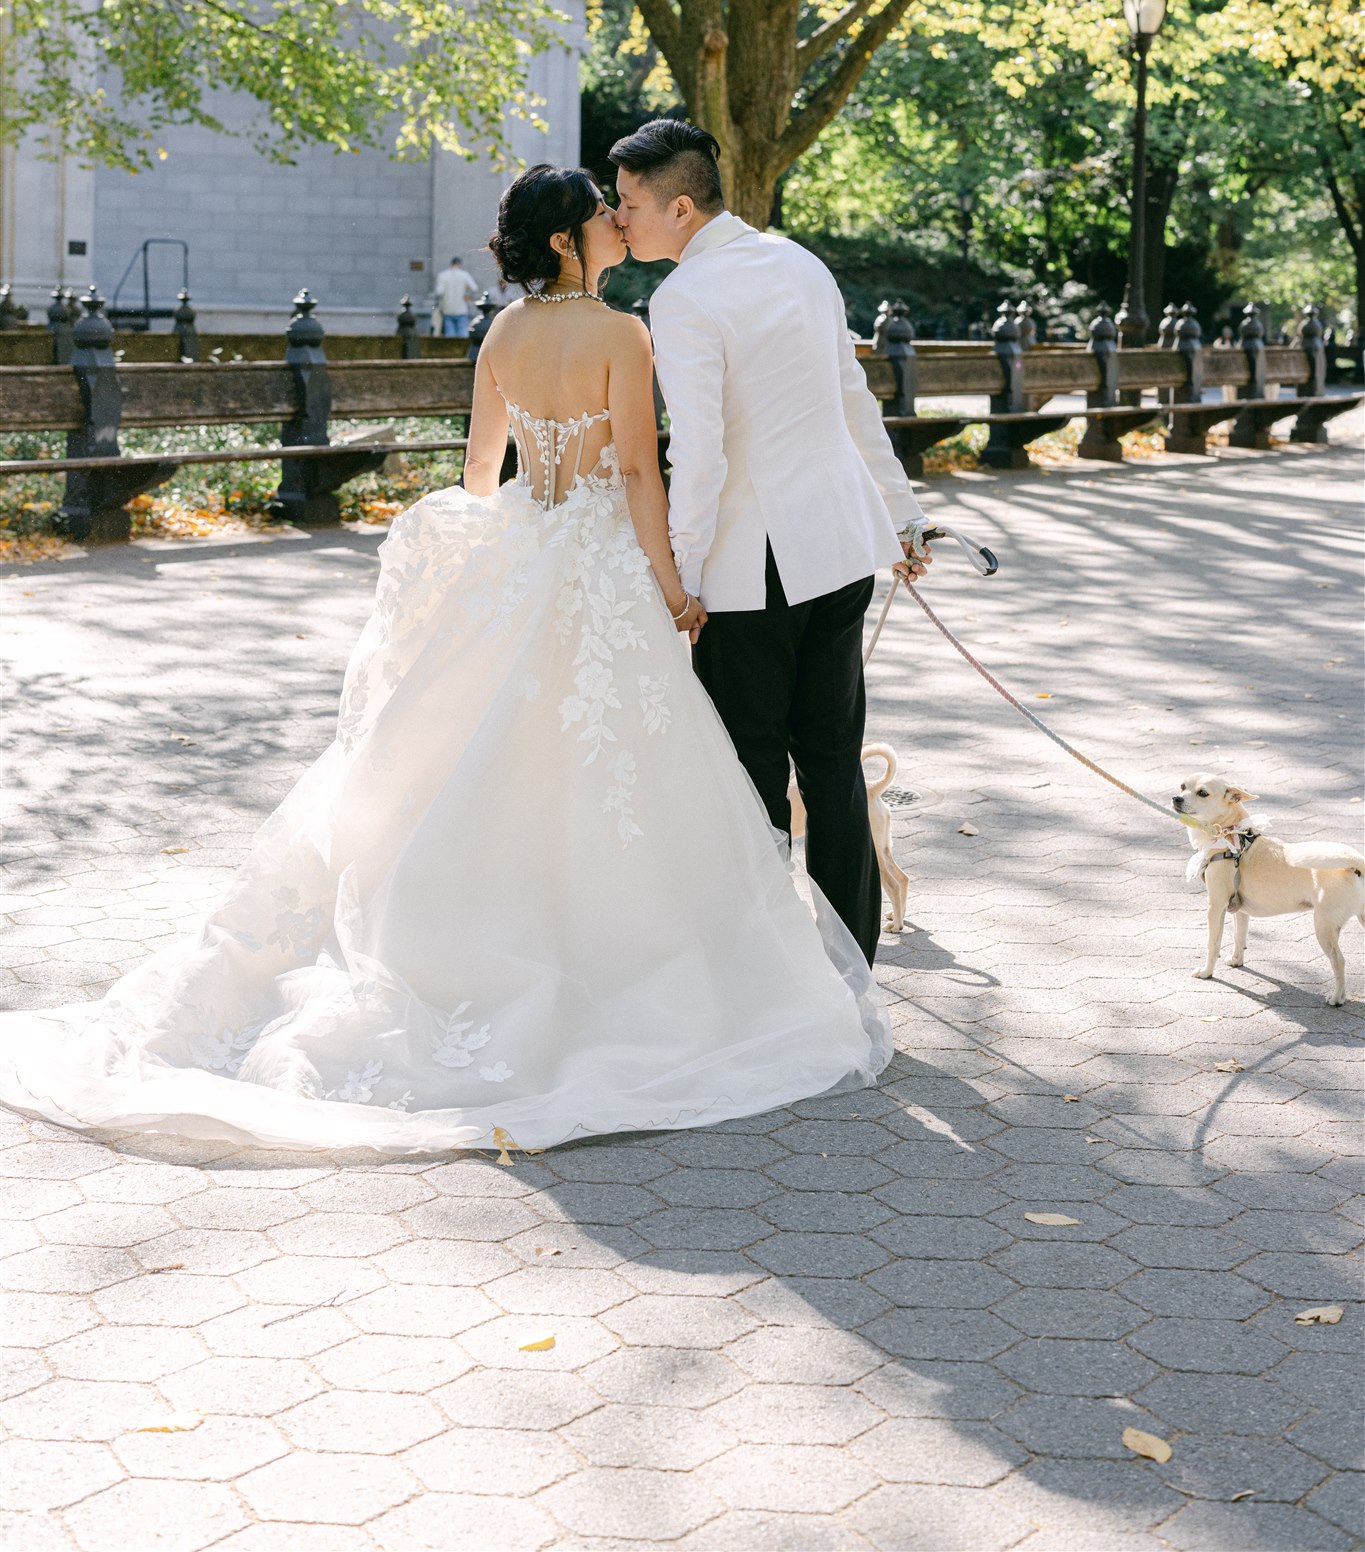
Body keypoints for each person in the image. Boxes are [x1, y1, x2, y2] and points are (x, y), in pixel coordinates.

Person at [0, 165, 890, 1154]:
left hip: (521, 546)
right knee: (611, 770)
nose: (613, 218)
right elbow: (639, 468)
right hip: (599, 563)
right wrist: (676, 586)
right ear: (565, 239)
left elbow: (480, 471)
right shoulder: (621, 333)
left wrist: (494, 561)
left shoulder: (504, 334)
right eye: (599, 211)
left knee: (478, 760)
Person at [611, 119, 932, 966]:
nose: (619, 220)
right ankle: (850, 961)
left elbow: (702, 451)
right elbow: (852, 396)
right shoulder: (801, 262)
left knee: (748, 772)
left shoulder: (682, 298)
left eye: (630, 203)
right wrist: (902, 517)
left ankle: (761, 972)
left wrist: (678, 575)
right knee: (831, 766)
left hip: (749, 576)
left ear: (680, 207)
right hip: (840, 552)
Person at [435, 255, 480, 336]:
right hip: (461, 308)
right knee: (463, 336)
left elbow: (439, 292)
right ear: (460, 264)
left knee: (450, 336)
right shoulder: (464, 275)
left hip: (447, 309)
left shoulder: (443, 275)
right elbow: (474, 288)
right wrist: (467, 295)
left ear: (451, 264)